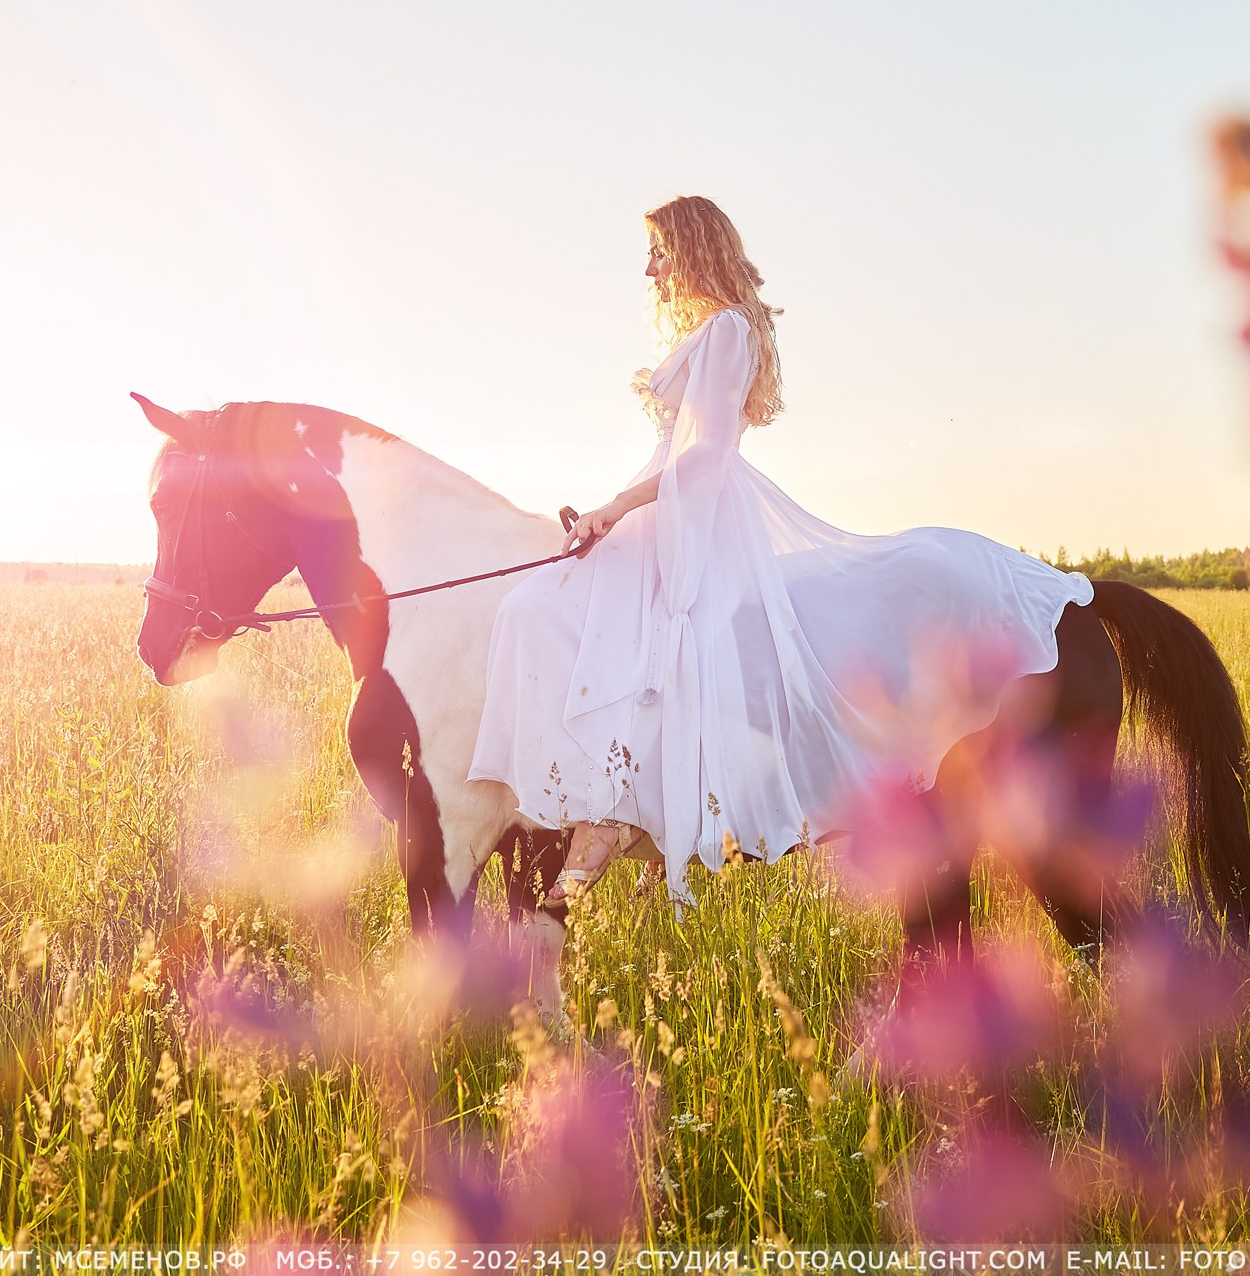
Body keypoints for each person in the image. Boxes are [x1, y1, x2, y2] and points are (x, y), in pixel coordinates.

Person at [466, 196, 1093, 907]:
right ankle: (594, 809)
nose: (649, 269)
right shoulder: (710, 329)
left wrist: (618, 510)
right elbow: (665, 456)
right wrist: (607, 512)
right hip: (665, 508)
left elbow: (703, 455)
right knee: (544, 608)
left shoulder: (729, 328)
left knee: (663, 651)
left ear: (695, 249)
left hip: (702, 514)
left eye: (660, 252)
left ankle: (631, 813)